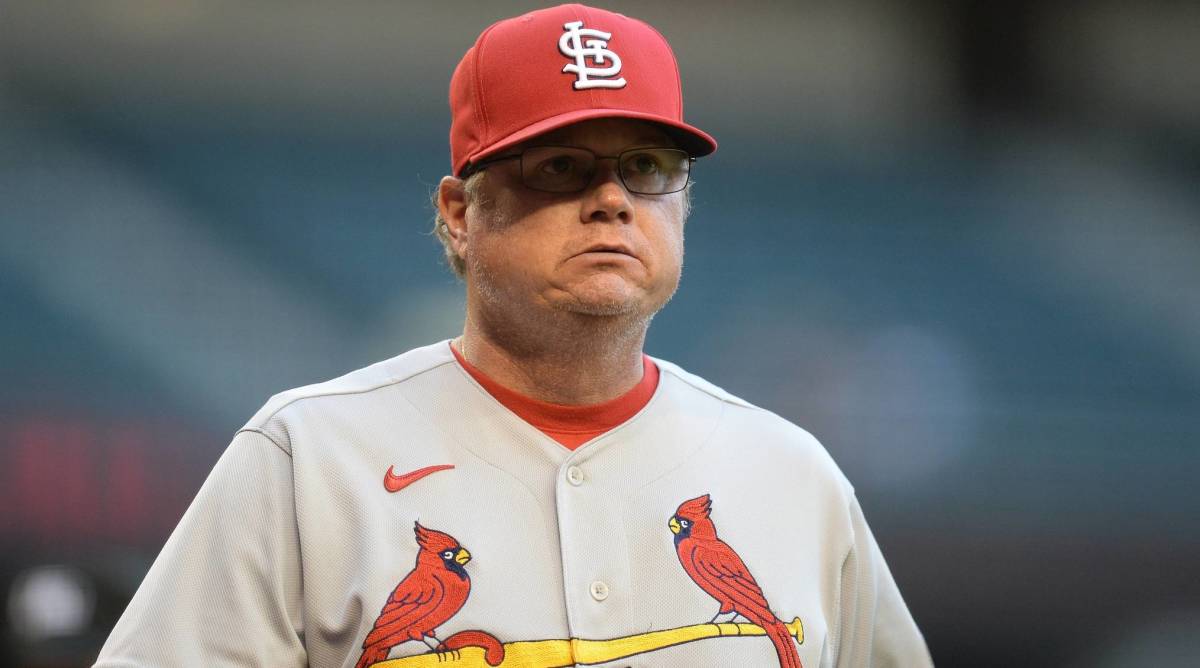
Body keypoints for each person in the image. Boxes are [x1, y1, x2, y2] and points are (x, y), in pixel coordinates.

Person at [95, 4, 932, 667]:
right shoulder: (305, 458)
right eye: (560, 166)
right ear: (460, 216)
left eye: (646, 167)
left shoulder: (793, 477)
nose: (612, 199)